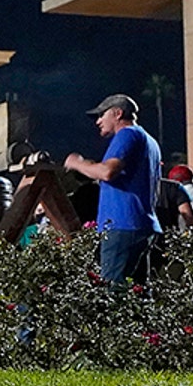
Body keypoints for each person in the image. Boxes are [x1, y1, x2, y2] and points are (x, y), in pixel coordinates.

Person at [64, 94, 160, 286]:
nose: (98, 121)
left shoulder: (127, 134)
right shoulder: (148, 141)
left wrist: (76, 163)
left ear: (117, 113)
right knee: (138, 291)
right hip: (142, 225)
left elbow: (107, 172)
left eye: (101, 115)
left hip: (122, 225)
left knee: (113, 291)